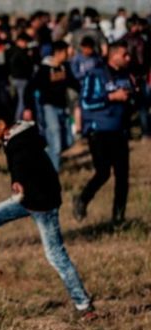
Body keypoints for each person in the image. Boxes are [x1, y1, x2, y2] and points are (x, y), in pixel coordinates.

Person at [0, 107, 96, 321]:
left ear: (1, 125)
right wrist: (18, 184)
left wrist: (18, 183)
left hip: (42, 205)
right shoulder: (17, 134)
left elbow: (23, 165)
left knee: (56, 255)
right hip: (28, 199)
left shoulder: (20, 143)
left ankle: (84, 306)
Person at [73, 42, 133, 224]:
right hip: (99, 132)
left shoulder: (126, 76)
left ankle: (118, 218)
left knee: (123, 177)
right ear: (113, 55)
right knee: (103, 172)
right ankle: (82, 199)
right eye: (125, 55)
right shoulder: (96, 75)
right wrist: (111, 97)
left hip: (119, 131)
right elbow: (85, 103)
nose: (128, 58)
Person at [32, 40, 79, 171]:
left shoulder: (65, 67)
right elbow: (34, 86)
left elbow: (73, 83)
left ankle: (47, 155)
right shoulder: (44, 69)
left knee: (69, 140)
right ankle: (53, 172)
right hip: (49, 107)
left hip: (63, 107)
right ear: (58, 53)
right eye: (65, 52)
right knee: (56, 139)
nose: (68, 54)